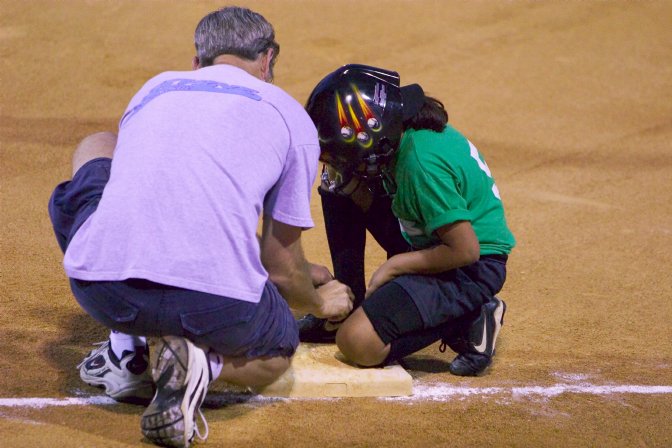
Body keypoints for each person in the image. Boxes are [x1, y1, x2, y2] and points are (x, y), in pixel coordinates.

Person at [48, 7, 353, 448]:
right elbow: (281, 266)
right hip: (215, 306)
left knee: (96, 149)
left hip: (103, 289)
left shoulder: (153, 89)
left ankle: (126, 349)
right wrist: (316, 301)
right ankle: (197, 365)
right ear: (268, 60)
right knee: (277, 350)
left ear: (197, 61)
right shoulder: (289, 115)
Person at [301, 64, 515, 376]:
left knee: (357, 341)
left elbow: (465, 250)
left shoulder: (421, 165)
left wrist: (394, 266)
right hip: (428, 237)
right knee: (339, 184)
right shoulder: (402, 135)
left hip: (469, 267)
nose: (345, 159)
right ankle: (348, 304)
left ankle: (472, 317)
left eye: (348, 151)